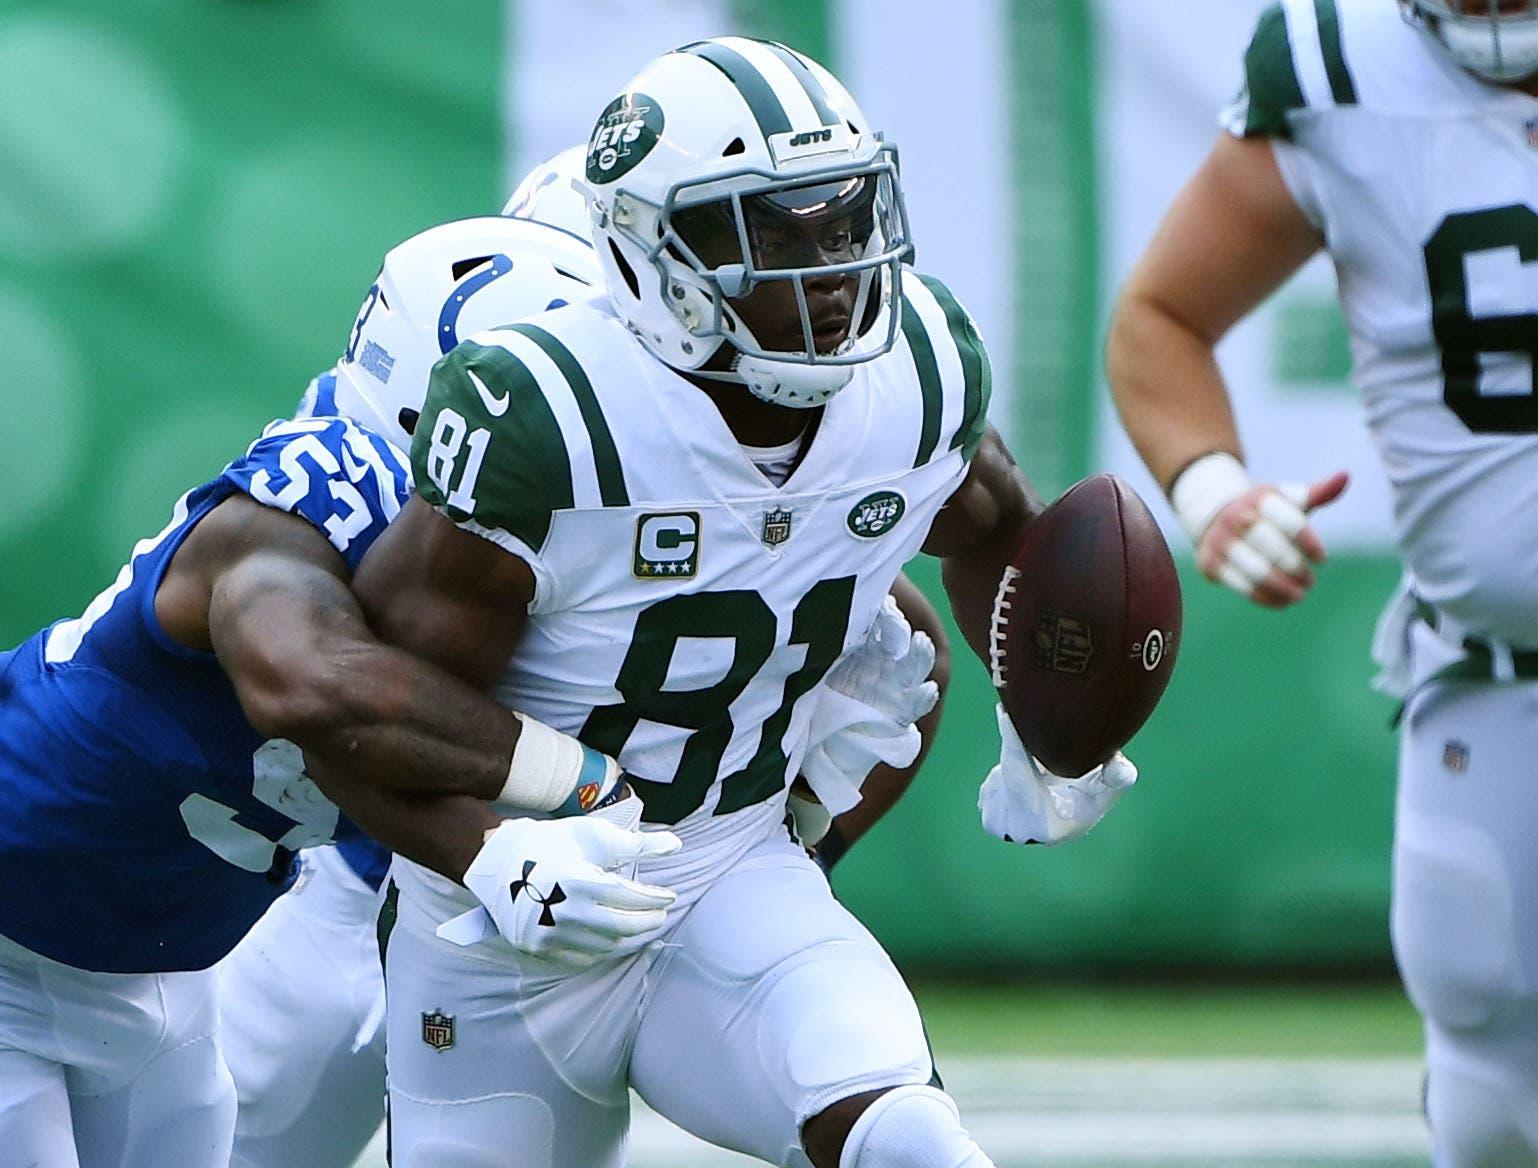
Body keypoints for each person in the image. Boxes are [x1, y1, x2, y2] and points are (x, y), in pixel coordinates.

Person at [350, 36, 1137, 1168]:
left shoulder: (915, 366)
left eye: (842, 222)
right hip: (509, 928)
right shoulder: (552, 411)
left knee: (915, 1143)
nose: (827, 271)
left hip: (727, 864)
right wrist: (482, 851)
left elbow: (1000, 529)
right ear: (651, 255)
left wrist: (1041, 709)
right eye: (770, 234)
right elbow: (363, 709)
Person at [217, 199, 951, 1168]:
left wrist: (784, 844)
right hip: (348, 887)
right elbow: (327, 703)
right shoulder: (319, 510)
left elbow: (911, 657)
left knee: (892, 1119)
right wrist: (532, 815)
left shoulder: (636, 432)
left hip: (612, 881)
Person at [0, 211, 678, 1166]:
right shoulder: (320, 493)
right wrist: (560, 794)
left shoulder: (463, 543)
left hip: (157, 969)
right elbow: (317, 694)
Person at [1105, 2, 1538, 1162]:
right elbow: (1160, 318)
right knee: (1488, 1062)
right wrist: (1210, 490)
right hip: (1492, 670)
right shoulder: (1338, 74)